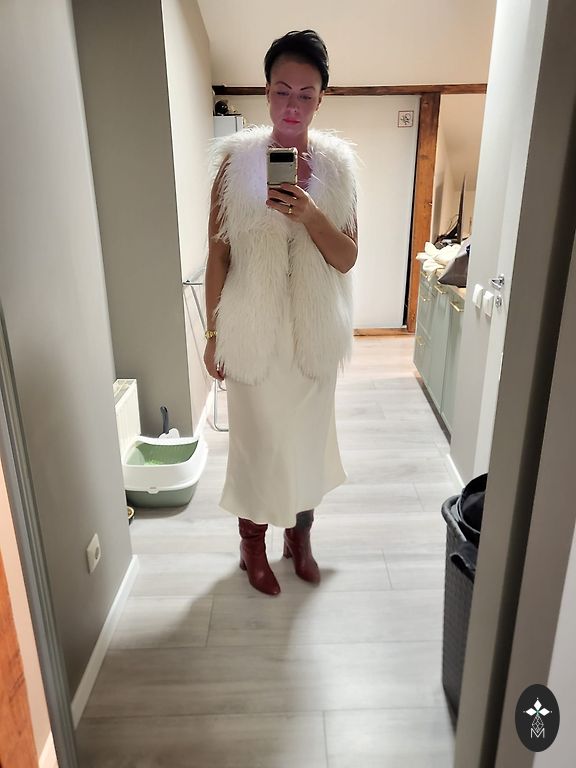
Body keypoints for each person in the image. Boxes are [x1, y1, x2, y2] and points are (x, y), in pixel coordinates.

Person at [204, 30, 358, 596]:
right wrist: (212, 334)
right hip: (253, 334)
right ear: (266, 92)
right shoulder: (234, 166)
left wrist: (312, 215)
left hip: (312, 339)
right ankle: (252, 546)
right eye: (282, 91)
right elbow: (218, 255)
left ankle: (300, 538)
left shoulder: (339, 170)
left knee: (306, 446)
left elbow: (347, 257)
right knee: (259, 447)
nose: (293, 105)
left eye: (306, 94)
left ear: (321, 99)